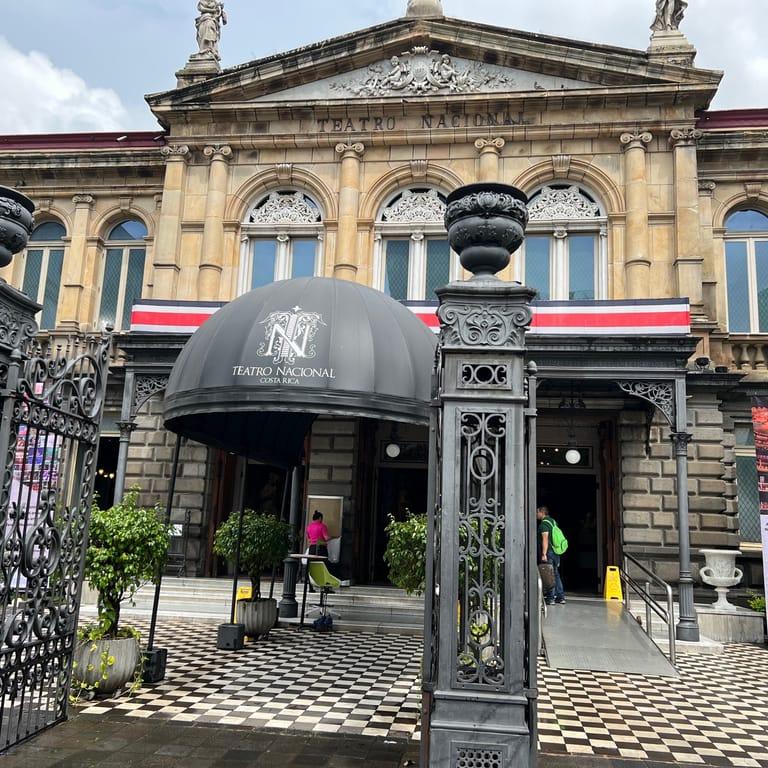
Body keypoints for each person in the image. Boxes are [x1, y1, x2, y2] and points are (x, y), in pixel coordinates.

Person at [537, 505, 565, 605]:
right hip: (556, 551)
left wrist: (544, 553)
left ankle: (551, 598)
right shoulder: (553, 521)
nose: (536, 514)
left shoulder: (544, 524)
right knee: (555, 574)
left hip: (549, 552)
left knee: (548, 574)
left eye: (537, 512)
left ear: (542, 512)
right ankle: (560, 597)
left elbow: (545, 539)